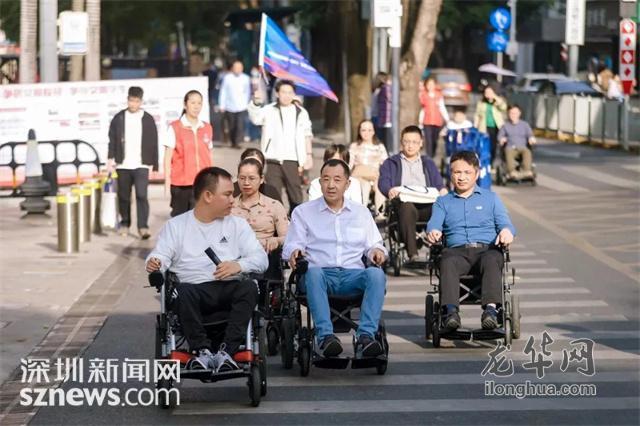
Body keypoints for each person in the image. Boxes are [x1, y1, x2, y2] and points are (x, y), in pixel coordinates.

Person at [145, 167, 268, 371]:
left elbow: (261, 259)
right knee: (182, 292)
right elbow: (161, 255)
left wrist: (238, 265)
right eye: (227, 194)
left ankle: (226, 352)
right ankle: (201, 351)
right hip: (193, 290)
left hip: (229, 287)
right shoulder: (176, 226)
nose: (233, 200)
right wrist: (155, 262)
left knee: (249, 287)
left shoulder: (237, 225)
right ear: (208, 196)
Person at [283, 159, 387, 358]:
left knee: (376, 275)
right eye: (326, 179)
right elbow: (292, 244)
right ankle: (326, 337)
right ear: (319, 182)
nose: (331, 185)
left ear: (347, 184)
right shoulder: (303, 212)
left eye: (337, 180)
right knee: (313, 272)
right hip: (319, 276)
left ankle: (366, 337)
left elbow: (375, 244)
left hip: (353, 275)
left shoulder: (361, 212)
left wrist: (377, 251)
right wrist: (295, 251)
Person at [426, 150, 516, 331]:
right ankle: (451, 312)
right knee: (447, 260)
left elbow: (506, 224)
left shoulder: (491, 198)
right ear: (450, 174)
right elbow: (434, 223)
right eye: (457, 172)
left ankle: (491, 311)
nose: (461, 177)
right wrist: (433, 231)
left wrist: (507, 232)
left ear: (476, 173)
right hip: (456, 252)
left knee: (492, 259)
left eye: (467, 172)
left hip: (486, 250)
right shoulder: (443, 202)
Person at [378, 125, 448, 262]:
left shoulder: (428, 163)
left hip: (427, 205)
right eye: (407, 142)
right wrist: (389, 190)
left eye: (415, 142)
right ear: (401, 142)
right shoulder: (391, 163)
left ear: (421, 143)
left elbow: (439, 184)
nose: (410, 146)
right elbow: (384, 182)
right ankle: (413, 253)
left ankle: (440, 249)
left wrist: (443, 190)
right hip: (404, 205)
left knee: (442, 208)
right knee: (407, 207)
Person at [248, 80, 312, 213]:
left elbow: (307, 134)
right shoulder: (269, 110)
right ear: (277, 93)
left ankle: (295, 218)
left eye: (290, 92)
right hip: (273, 158)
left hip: (293, 160)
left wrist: (308, 155)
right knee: (273, 195)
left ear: (294, 94)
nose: (286, 95)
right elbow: (255, 118)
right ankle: (277, 220)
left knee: (295, 194)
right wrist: (256, 102)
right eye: (283, 92)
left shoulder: (301, 112)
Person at [107, 86, 158, 239]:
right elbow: (112, 140)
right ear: (127, 100)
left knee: (142, 195)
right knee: (124, 196)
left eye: (136, 101)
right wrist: (110, 159)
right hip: (123, 164)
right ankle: (125, 223)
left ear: (141, 101)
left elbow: (154, 141)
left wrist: (155, 164)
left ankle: (143, 227)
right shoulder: (119, 118)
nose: (134, 104)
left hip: (142, 164)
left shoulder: (148, 119)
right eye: (131, 101)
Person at [164, 90, 214, 217]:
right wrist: (167, 182)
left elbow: (209, 155)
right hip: (181, 184)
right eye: (193, 103)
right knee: (180, 220)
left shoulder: (207, 128)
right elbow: (168, 157)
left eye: (199, 103)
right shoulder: (175, 127)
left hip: (202, 183)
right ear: (185, 104)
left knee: (200, 219)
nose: (196, 106)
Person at [232, 158, 289, 254]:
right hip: (233, 256)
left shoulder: (274, 205)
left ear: (261, 179)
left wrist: (276, 240)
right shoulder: (228, 207)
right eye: (242, 178)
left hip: (265, 255)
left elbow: (287, 237)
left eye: (252, 178)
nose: (246, 183)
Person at [348, 119, 388, 218]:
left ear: (373, 131)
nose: (367, 133)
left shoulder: (379, 147)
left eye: (369, 130)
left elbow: (385, 165)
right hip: (359, 176)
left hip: (375, 177)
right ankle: (362, 213)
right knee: (364, 185)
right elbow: (349, 165)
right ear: (359, 131)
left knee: (380, 185)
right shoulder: (354, 146)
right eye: (363, 130)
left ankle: (380, 213)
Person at [218, 60, 251, 149]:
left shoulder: (246, 78)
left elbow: (248, 91)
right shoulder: (227, 78)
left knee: (240, 125)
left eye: (239, 68)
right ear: (233, 68)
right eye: (236, 67)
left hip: (242, 106)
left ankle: (238, 142)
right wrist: (222, 105)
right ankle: (232, 141)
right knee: (231, 125)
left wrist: (247, 103)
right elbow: (223, 91)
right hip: (229, 106)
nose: (238, 69)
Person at [498, 105, 536, 180]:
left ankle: (526, 171)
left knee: (527, 152)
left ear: (519, 114)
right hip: (511, 147)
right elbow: (500, 136)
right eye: (511, 113)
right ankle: (512, 172)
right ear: (508, 114)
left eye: (515, 113)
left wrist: (531, 138)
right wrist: (501, 139)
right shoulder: (505, 126)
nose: (513, 115)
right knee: (508, 152)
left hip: (523, 147)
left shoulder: (525, 125)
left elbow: (530, 134)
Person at [474, 85, 507, 165]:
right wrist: (475, 125)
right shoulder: (481, 102)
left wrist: (494, 97)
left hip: (497, 126)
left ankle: (496, 162)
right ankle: (486, 162)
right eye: (486, 92)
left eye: (490, 92)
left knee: (496, 145)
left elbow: (504, 107)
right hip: (485, 127)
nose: (488, 94)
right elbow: (477, 114)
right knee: (487, 145)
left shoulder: (498, 101)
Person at [419, 77, 450, 158]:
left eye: (432, 84)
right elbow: (422, 109)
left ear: (435, 85)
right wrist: (420, 121)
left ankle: (432, 155)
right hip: (427, 121)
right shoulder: (423, 95)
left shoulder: (439, 95)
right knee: (428, 140)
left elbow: (442, 107)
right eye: (428, 84)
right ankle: (429, 157)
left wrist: (447, 119)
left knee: (435, 140)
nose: (430, 86)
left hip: (437, 122)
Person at [373, 72, 392, 152]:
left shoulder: (376, 90)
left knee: (380, 140)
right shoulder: (383, 90)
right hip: (382, 118)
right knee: (384, 141)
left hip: (377, 117)